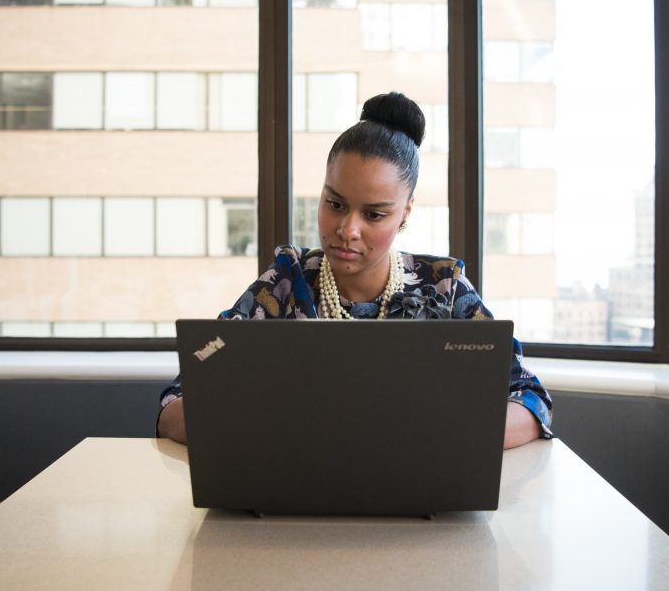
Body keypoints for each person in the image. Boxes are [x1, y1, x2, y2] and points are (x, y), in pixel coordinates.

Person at [157, 92, 553, 448]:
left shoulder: (444, 289)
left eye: (374, 214)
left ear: (405, 213)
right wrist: (270, 427)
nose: (347, 230)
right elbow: (177, 402)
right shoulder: (285, 282)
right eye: (336, 204)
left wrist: (438, 433)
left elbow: (530, 401)